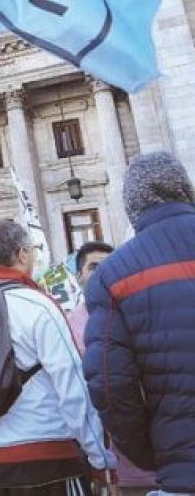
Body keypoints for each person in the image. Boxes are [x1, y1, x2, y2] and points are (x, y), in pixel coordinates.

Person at [0, 223, 115, 495]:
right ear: (22, 254)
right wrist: (100, 458)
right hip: (47, 456)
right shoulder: (38, 304)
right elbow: (73, 386)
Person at [83, 152, 195, 496]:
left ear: (130, 203)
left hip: (183, 466)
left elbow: (110, 385)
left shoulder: (114, 273)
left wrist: (148, 450)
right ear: (186, 189)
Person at [66, 241, 156, 496]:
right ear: (79, 276)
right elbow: (75, 400)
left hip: (153, 459)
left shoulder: (142, 314)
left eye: (110, 265)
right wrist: (97, 461)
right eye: (94, 267)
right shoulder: (66, 327)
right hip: (105, 464)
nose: (103, 272)